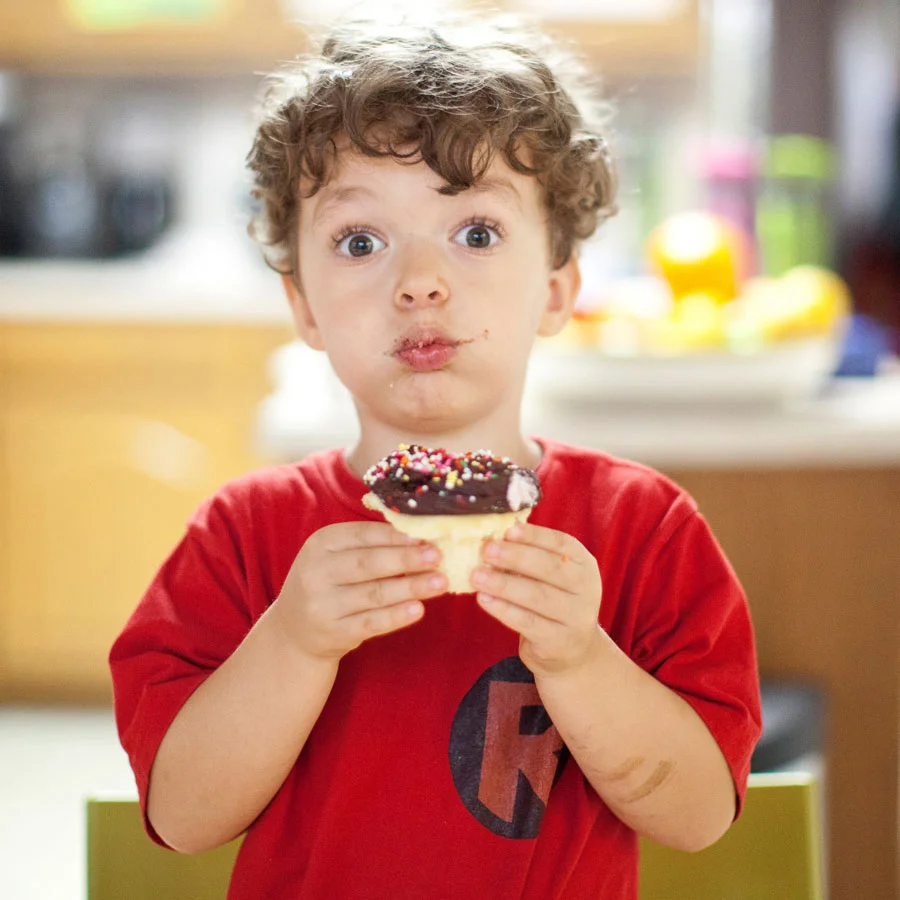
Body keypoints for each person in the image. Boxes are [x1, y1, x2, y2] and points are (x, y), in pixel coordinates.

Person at [110, 12, 761, 900]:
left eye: (477, 234)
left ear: (558, 289)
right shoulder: (243, 537)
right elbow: (182, 819)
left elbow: (698, 818)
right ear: (302, 305)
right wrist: (293, 642)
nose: (420, 281)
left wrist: (579, 657)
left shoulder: (644, 531)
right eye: (360, 241)